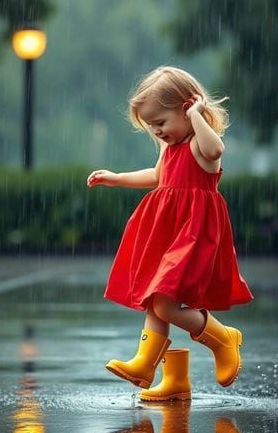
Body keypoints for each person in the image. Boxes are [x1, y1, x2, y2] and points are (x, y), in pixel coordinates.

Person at [88, 65, 254, 400]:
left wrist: (197, 116)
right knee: (156, 298)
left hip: (193, 234)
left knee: (164, 304)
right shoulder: (170, 148)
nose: (157, 131)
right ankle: (163, 374)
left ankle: (223, 338)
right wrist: (116, 177)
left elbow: (216, 150)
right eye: (151, 126)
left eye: (161, 122)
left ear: (185, 107)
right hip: (168, 232)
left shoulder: (200, 146)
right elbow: (157, 175)